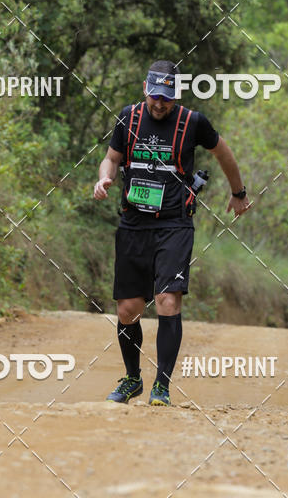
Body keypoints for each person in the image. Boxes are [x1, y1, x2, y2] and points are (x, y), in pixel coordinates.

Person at [93, 60, 250, 406]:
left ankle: (161, 386)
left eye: (166, 98)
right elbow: (112, 159)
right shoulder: (128, 117)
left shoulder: (193, 122)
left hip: (174, 223)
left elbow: (223, 153)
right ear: (145, 90)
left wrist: (238, 192)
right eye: (155, 97)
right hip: (133, 222)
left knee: (167, 300)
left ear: (175, 96)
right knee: (128, 309)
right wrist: (105, 177)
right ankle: (133, 379)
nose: (159, 104)